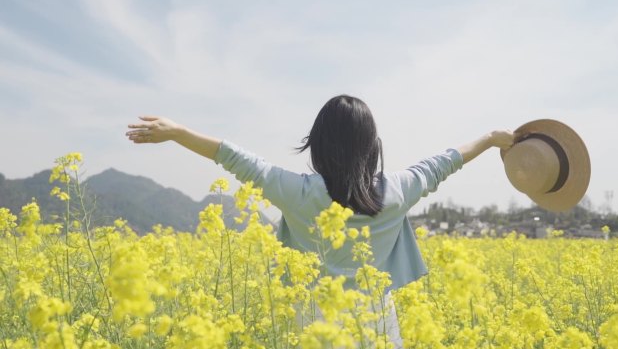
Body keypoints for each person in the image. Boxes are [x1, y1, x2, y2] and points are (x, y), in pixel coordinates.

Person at [126, 95, 514, 347]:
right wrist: (490, 138)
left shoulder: (297, 192)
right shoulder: (397, 192)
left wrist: (177, 133)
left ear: (318, 144)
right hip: (377, 330)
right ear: (371, 146)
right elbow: (445, 162)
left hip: (316, 330)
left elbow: (234, 157)